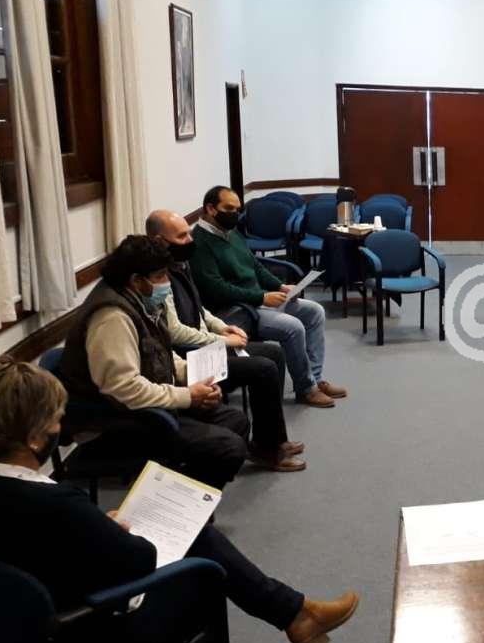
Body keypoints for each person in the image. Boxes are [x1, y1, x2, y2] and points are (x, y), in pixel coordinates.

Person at [0, 358, 359, 643]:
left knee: (197, 539)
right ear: (36, 436)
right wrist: (111, 529)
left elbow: (25, 542)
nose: (61, 428)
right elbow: (138, 560)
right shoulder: (55, 504)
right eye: (56, 420)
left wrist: (97, 528)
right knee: (202, 569)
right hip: (72, 639)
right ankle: (295, 614)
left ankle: (296, 613)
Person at [58, 236, 249, 490]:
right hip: (114, 420)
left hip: (146, 405)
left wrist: (193, 377)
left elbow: (161, 352)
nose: (167, 282)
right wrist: (187, 396)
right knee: (228, 447)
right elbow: (124, 388)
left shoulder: (139, 300)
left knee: (236, 421)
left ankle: (185, 496)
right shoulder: (112, 318)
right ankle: (173, 504)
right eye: (160, 276)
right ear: (136, 280)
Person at [146, 209, 305, 472]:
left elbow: (200, 309)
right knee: (263, 368)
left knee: (273, 353)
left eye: (188, 234)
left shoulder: (180, 264)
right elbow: (174, 332)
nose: (189, 240)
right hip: (189, 355)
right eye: (182, 236)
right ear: (159, 241)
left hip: (206, 343)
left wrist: (223, 327)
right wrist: (222, 341)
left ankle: (271, 438)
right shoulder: (158, 276)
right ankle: (267, 451)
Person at [189, 187, 346, 408]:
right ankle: (306, 389)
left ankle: (315, 379)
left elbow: (255, 266)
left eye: (237, 209)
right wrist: (262, 297)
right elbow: (216, 289)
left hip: (255, 301)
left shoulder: (230, 232)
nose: (234, 214)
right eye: (229, 209)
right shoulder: (199, 242)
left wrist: (279, 286)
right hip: (235, 310)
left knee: (314, 312)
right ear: (211, 209)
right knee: (293, 327)